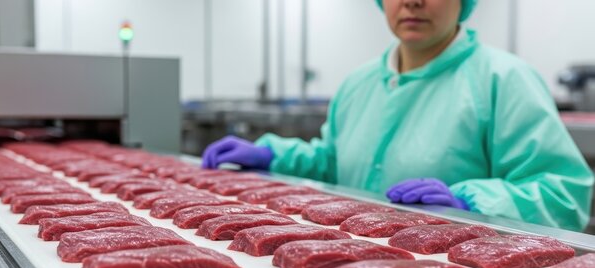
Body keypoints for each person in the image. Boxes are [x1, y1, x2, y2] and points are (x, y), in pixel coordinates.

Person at [202, 0, 594, 231]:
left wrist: (472, 200)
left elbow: (563, 193)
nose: (413, 1)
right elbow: (337, 164)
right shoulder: (360, 82)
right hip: (351, 257)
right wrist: (275, 157)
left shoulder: (502, 79)